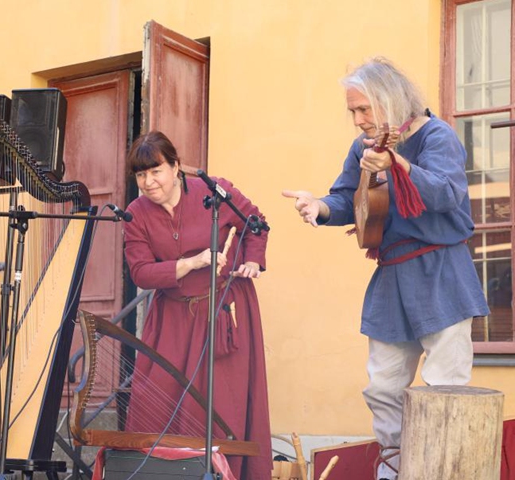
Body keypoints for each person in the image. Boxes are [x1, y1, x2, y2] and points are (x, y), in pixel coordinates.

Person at [282, 57, 489, 480]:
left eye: (363, 109)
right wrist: (318, 206)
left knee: (443, 388)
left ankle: (439, 471)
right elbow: (347, 199)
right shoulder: (363, 148)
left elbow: (447, 194)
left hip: (441, 272)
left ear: (390, 101)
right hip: (392, 276)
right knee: (383, 387)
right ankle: (393, 469)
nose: (357, 120)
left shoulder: (437, 136)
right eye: (352, 111)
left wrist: (398, 163)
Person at [122, 131, 271, 480]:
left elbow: (255, 224)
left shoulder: (213, 190)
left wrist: (251, 261)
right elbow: (140, 272)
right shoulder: (135, 213)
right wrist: (191, 263)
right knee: (153, 399)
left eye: (155, 171)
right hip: (172, 317)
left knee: (223, 404)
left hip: (224, 311)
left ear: (175, 167)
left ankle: (224, 474)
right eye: (141, 175)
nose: (148, 181)